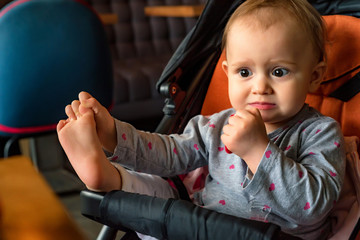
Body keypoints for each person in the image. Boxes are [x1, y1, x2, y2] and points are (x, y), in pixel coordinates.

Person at [57, 0, 346, 238]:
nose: (260, 87)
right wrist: (116, 135)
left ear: (315, 76)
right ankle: (109, 176)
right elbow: (168, 153)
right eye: (245, 72)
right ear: (227, 71)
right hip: (205, 230)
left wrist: (258, 151)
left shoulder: (320, 133)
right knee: (159, 191)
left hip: (279, 236)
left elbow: (313, 206)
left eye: (279, 72)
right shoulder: (216, 125)